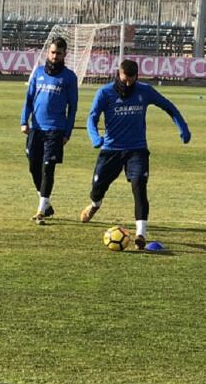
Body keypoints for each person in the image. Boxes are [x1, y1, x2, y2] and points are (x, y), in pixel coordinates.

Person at [81, 59, 191, 249]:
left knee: (139, 185)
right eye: (125, 79)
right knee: (97, 188)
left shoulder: (144, 91)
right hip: (111, 150)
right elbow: (92, 118)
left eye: (132, 79)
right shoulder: (105, 92)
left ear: (137, 75)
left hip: (137, 149)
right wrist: (95, 137)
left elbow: (168, 106)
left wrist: (182, 127)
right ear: (119, 74)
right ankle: (95, 204)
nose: (128, 84)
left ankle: (141, 234)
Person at [20, 37, 79, 225]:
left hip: (55, 129)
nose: (55, 56)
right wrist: (24, 121)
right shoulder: (37, 73)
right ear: (48, 52)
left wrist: (67, 132)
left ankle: (40, 210)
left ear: (64, 55)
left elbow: (73, 107)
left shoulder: (69, 77)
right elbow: (29, 100)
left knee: (48, 168)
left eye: (59, 53)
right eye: (53, 52)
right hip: (36, 128)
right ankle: (47, 204)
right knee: (33, 167)